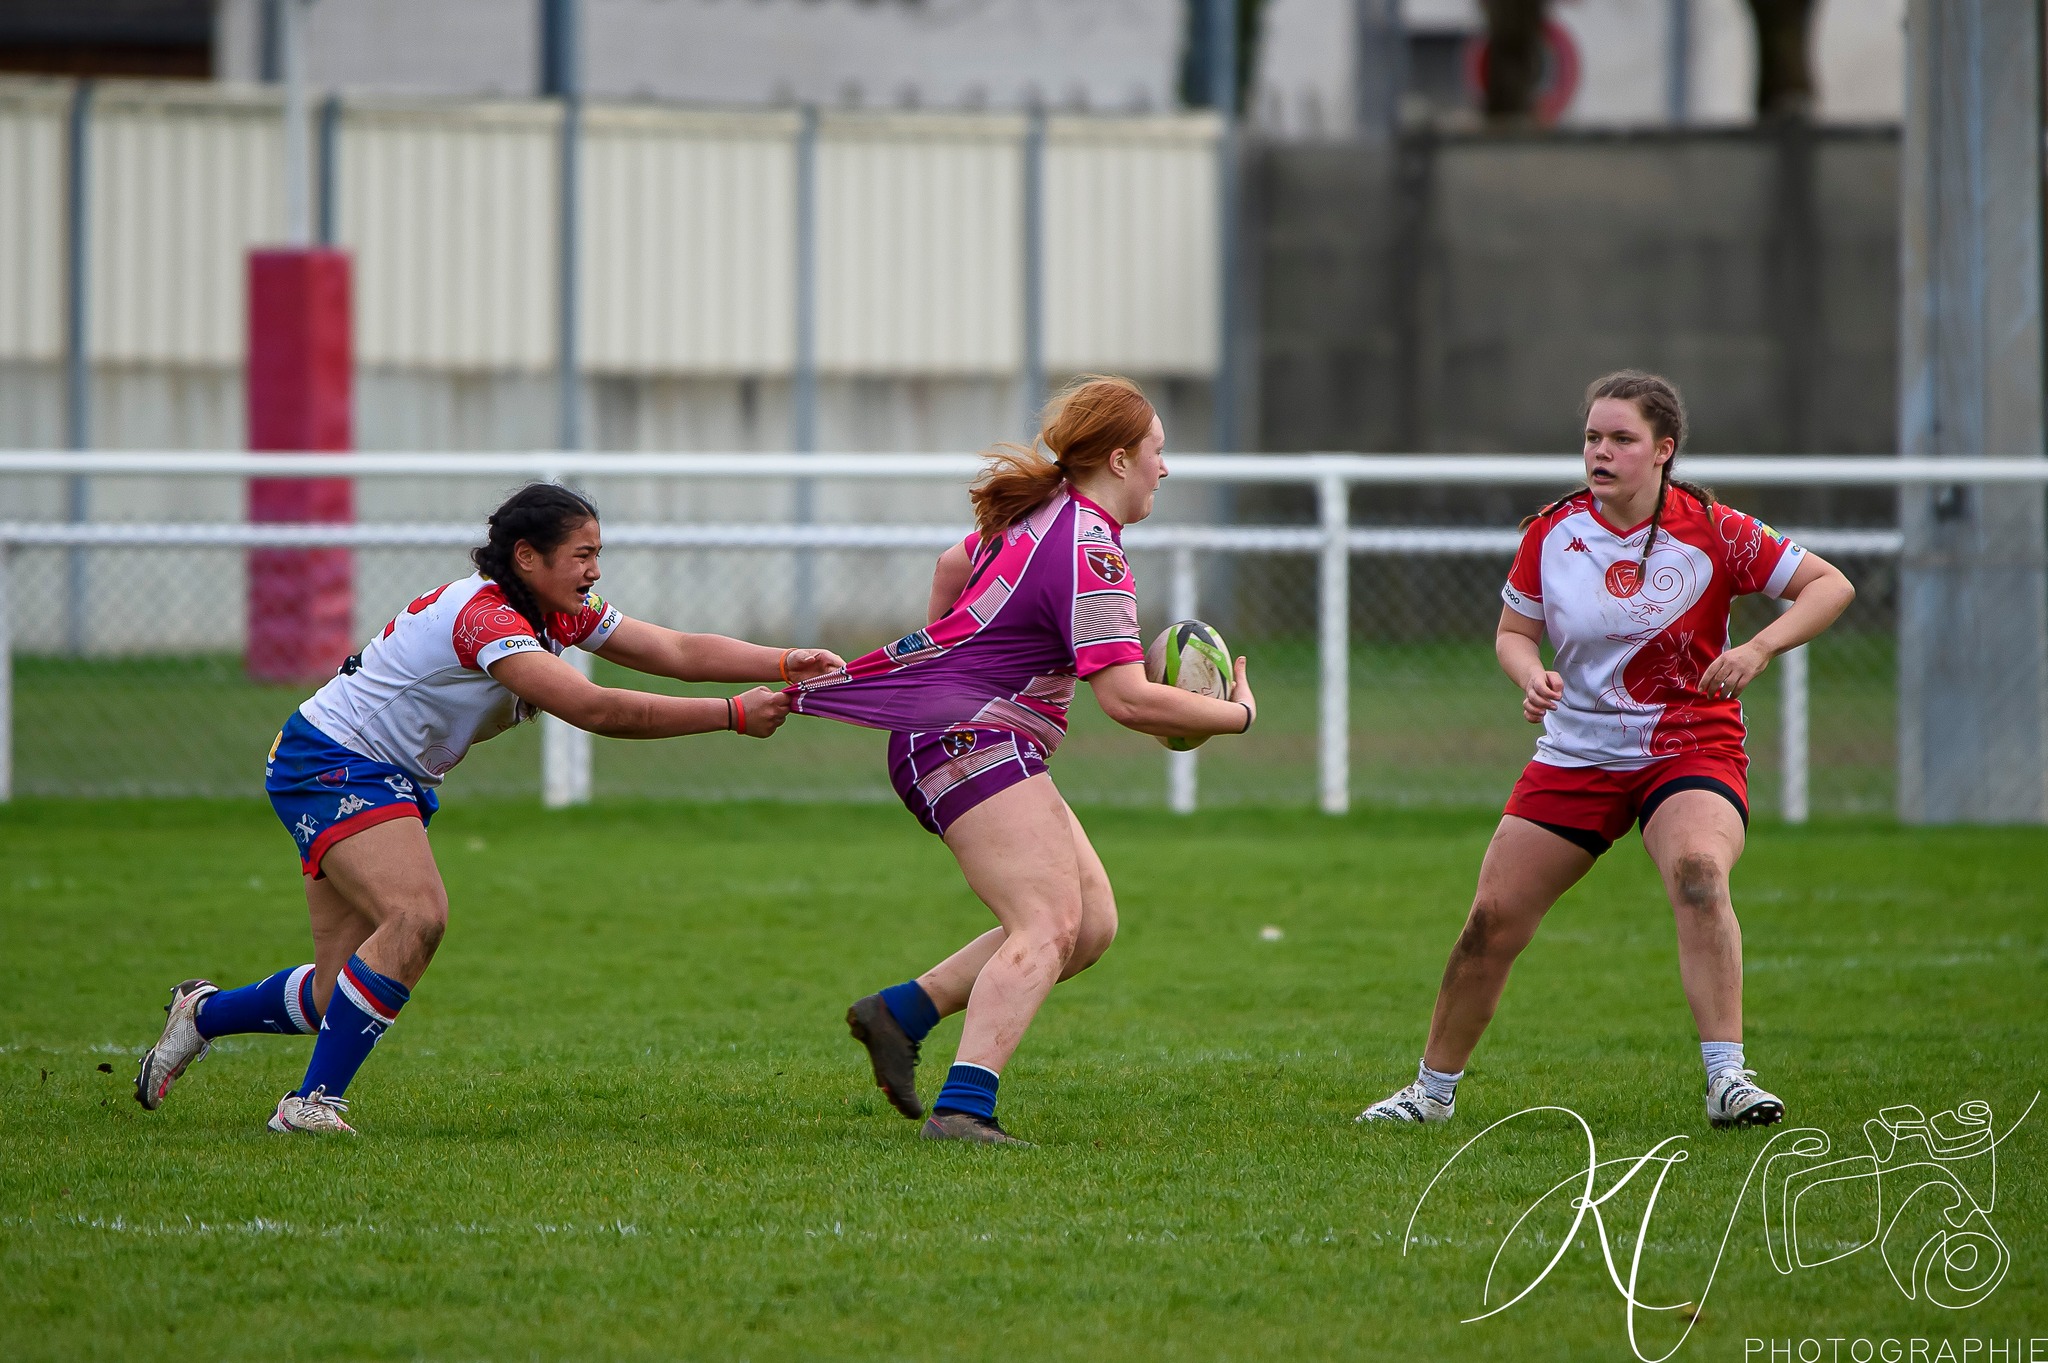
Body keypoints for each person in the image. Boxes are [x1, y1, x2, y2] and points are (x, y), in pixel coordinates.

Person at [134, 482, 842, 1134]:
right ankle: (310, 1105)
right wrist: (730, 715)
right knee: (416, 917)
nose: (595, 570)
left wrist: (784, 662)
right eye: (583, 554)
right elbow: (592, 707)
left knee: (333, 992)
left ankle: (202, 1013)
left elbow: (676, 649)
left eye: (598, 553)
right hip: (333, 761)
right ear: (528, 556)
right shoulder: (484, 618)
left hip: (381, 772)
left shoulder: (554, 608)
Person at [1357, 370, 1855, 1129]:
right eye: (1593, 437)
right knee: (1491, 919)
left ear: (1663, 450)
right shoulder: (1552, 533)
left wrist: (1758, 648)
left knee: (1699, 875)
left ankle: (1728, 1081)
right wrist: (1530, 676)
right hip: (1578, 750)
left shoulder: (1714, 528)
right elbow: (1513, 633)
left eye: (1622, 439)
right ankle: (1430, 1094)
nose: (1601, 451)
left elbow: (1829, 585)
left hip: (1688, 747)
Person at [790, 376, 1257, 1145]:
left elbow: (950, 564)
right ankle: (963, 1110)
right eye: (1157, 451)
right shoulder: (1091, 551)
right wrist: (1236, 714)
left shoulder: (1043, 511)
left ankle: (900, 1012)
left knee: (1090, 925)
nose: (1165, 468)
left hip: (963, 728)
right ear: (1118, 459)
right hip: (970, 735)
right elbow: (1128, 700)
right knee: (1048, 921)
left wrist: (945, 665)